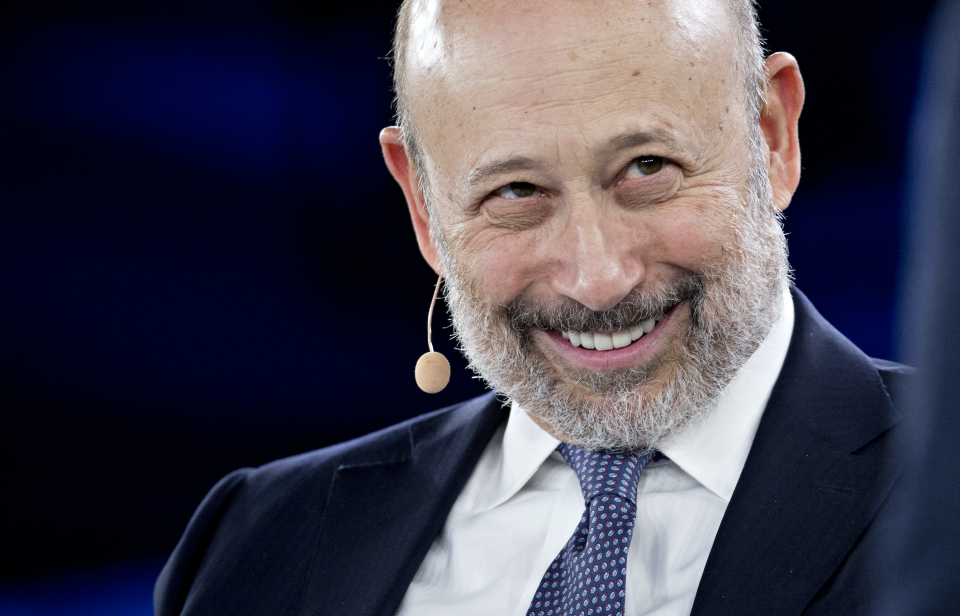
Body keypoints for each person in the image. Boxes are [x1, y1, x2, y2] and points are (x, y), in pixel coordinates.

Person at [154, 0, 912, 614]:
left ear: (773, 137)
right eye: (517, 192)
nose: (598, 279)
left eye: (648, 167)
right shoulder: (255, 541)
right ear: (423, 208)